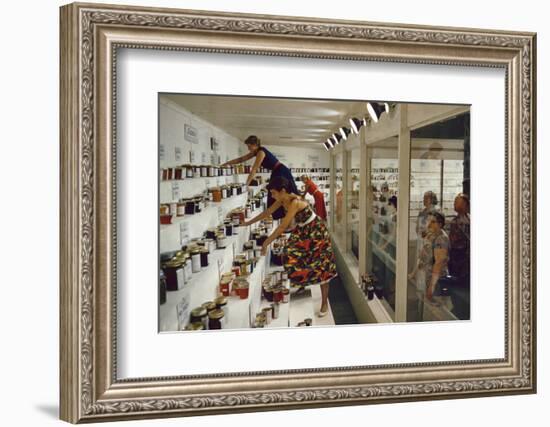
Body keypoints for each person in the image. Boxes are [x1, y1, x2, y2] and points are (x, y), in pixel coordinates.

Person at [245, 176, 337, 317]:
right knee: (290, 255)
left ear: (282, 191)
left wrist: (265, 243)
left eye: (273, 192)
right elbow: (267, 213)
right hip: (303, 230)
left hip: (316, 231)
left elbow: (282, 226)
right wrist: (248, 223)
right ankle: (302, 281)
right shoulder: (282, 199)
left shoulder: (294, 202)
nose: (272, 195)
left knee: (321, 267)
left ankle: (324, 303)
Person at [221, 135, 298, 219]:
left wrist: (246, 184)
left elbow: (254, 169)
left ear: (255, 145)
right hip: (277, 171)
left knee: (281, 194)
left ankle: (289, 217)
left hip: (281, 171)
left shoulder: (261, 153)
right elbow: (241, 159)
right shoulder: (256, 152)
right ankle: (284, 218)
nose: (248, 148)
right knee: (274, 195)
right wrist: (225, 164)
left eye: (249, 146)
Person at [447, 193, 470, 319]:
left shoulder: (461, 222)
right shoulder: (458, 221)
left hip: (461, 262)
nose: (454, 203)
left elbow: (457, 243)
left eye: (457, 202)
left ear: (465, 205)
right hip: (457, 261)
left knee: (459, 289)